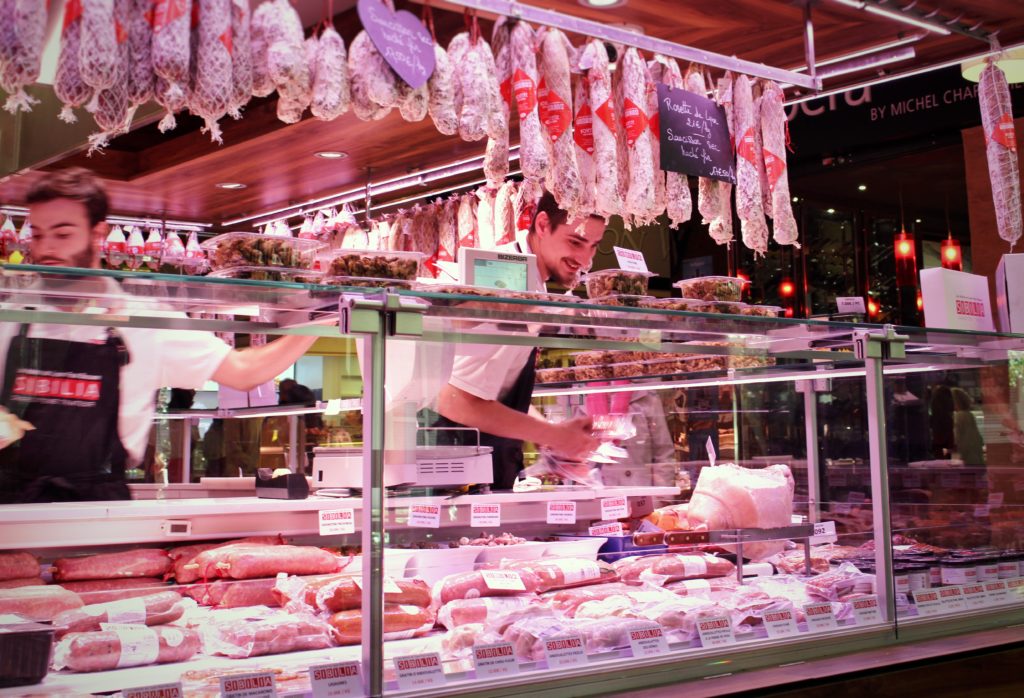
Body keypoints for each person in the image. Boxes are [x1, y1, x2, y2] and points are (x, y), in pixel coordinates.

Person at [0, 168, 325, 503]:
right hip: (8, 510)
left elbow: (243, 372)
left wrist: (322, 320)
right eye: (37, 235)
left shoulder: (142, 320)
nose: (46, 249)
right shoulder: (10, 316)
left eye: (63, 234)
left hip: (96, 515)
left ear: (98, 233)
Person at [432, 192, 604, 489]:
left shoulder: (530, 283)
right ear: (542, 224)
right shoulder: (509, 283)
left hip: (476, 461)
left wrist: (552, 432)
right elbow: (453, 400)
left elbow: (489, 386)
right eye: (575, 242)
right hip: (449, 470)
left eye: (593, 247)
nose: (585, 260)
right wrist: (555, 436)